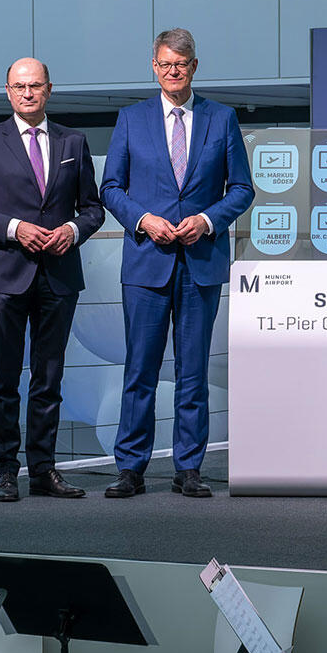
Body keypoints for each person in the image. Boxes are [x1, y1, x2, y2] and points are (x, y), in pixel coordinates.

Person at [100, 27, 254, 498]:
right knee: (140, 370)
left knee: (193, 372)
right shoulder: (131, 119)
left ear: (194, 68)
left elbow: (243, 190)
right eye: (165, 65)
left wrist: (206, 221)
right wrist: (144, 219)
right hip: (148, 263)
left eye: (181, 66)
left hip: (200, 263)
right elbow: (111, 188)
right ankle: (131, 468)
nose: (173, 72)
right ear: (154, 65)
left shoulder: (221, 118)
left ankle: (189, 468)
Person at [0, 58, 105, 502]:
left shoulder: (73, 142)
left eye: (35, 86)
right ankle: (6, 471)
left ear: (49, 90)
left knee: (49, 378)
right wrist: (13, 228)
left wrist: (73, 230)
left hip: (58, 275)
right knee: (4, 379)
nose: (27, 93)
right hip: (5, 274)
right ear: (7, 91)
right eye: (19, 86)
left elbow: (93, 209)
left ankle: (43, 469)